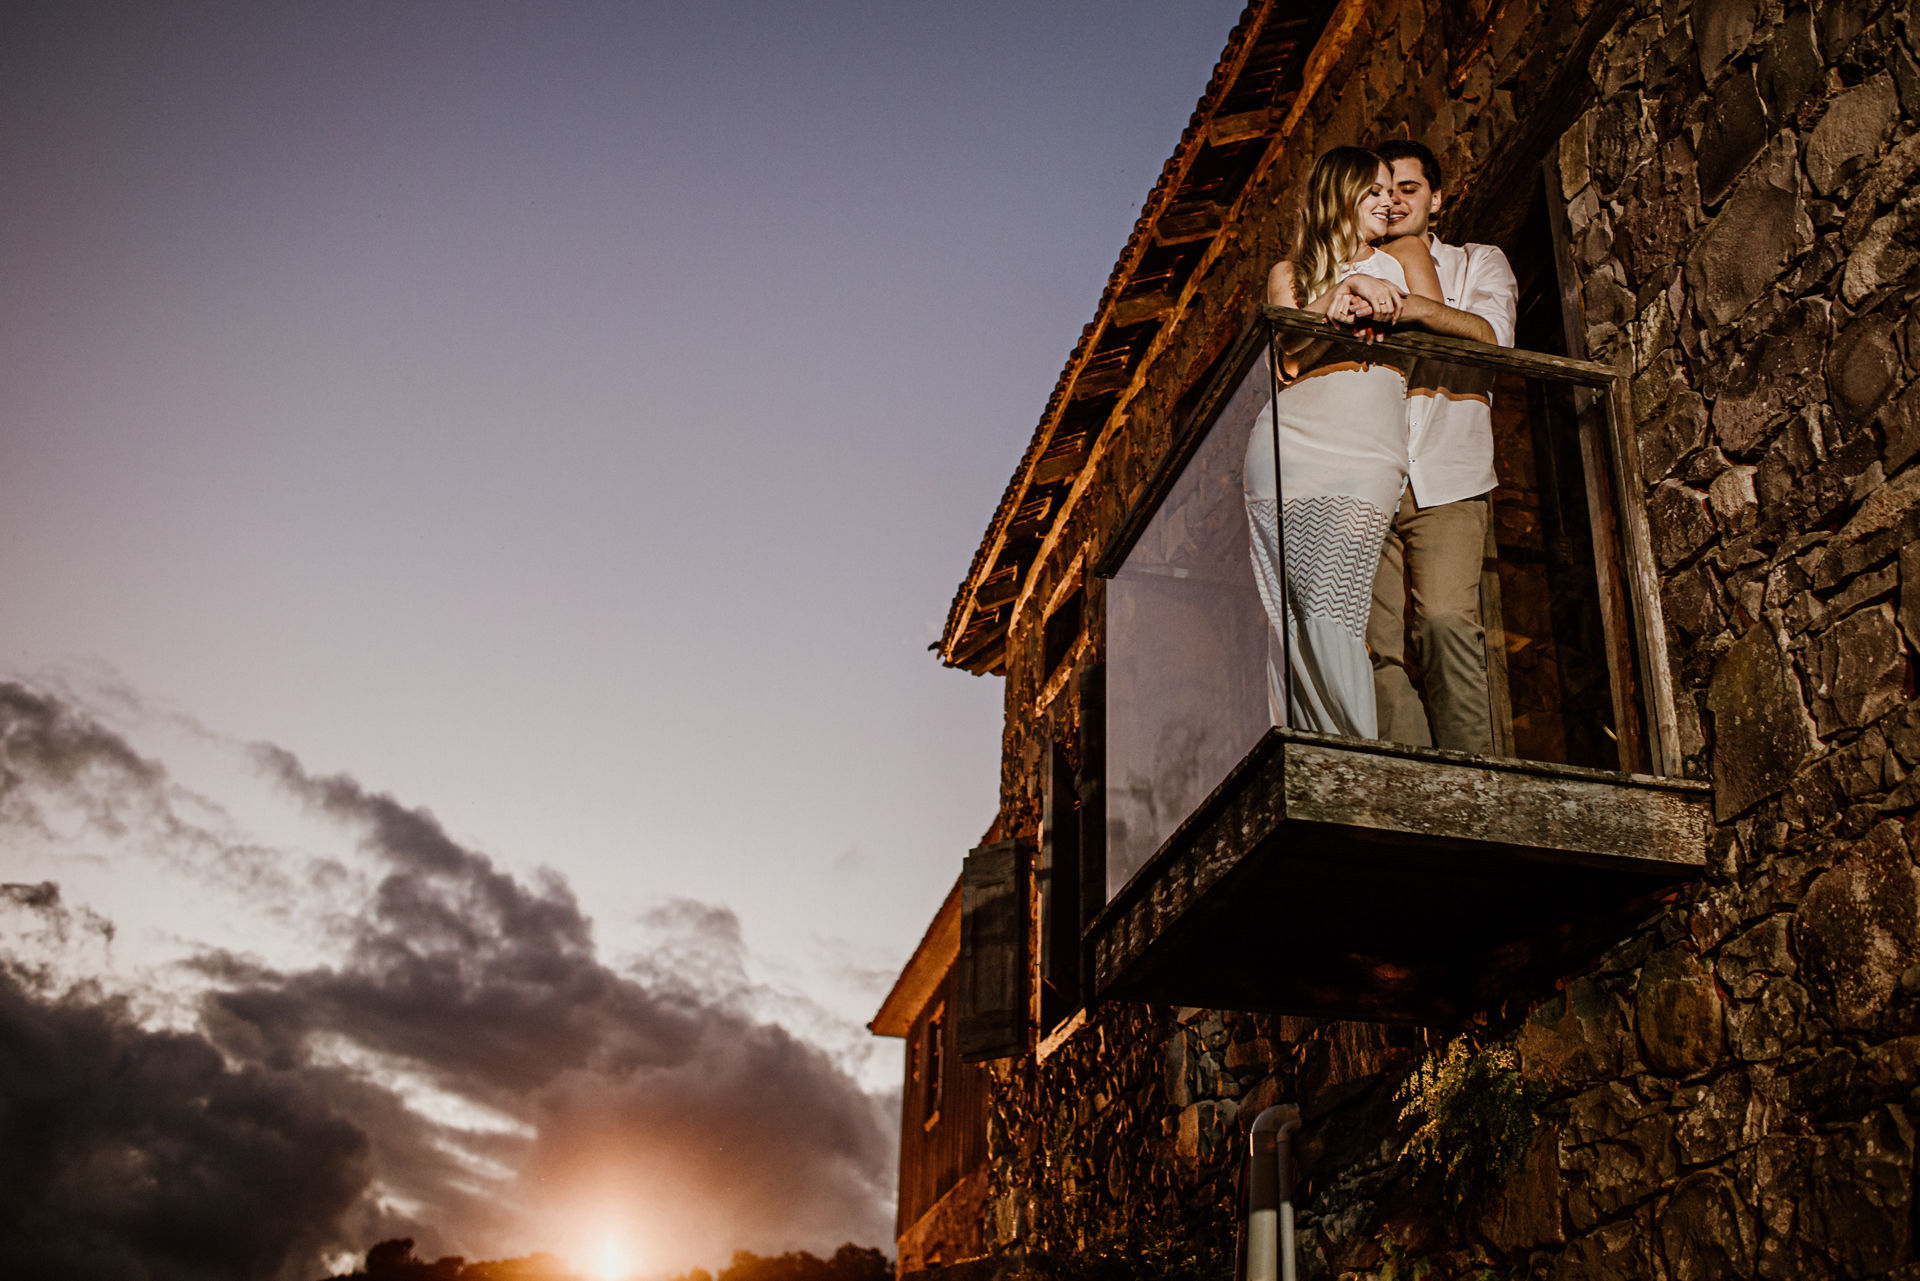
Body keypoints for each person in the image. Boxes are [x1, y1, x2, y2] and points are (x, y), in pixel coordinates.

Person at [1243, 146, 1441, 738]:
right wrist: (1340, 293)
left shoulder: (1404, 258)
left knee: (1338, 608)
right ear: (1341, 194)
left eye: (1394, 191)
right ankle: (1305, 755)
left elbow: (1437, 324)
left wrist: (1378, 291)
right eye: (1375, 190)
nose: (1390, 201)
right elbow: (1291, 360)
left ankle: (1354, 758)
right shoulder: (1290, 274)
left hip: (1368, 448)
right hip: (1290, 445)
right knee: (1292, 618)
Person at [1363, 139, 1519, 755]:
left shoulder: (1478, 262)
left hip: (1451, 475)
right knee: (1374, 644)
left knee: (1449, 624)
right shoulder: (1355, 269)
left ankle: (1475, 778)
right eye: (1381, 190)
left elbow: (1492, 339)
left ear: (1435, 196)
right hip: (1370, 470)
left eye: (1409, 188)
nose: (1395, 201)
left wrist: (1416, 311)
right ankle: (1413, 776)